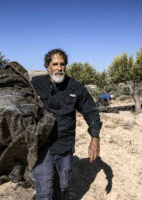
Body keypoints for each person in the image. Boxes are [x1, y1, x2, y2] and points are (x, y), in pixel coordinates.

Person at [31, 49, 102, 199]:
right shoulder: (36, 84)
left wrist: (95, 138)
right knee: (44, 190)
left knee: (62, 186)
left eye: (62, 64)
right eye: (55, 64)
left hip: (65, 146)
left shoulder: (76, 87)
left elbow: (91, 112)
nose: (59, 68)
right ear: (47, 67)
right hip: (42, 147)